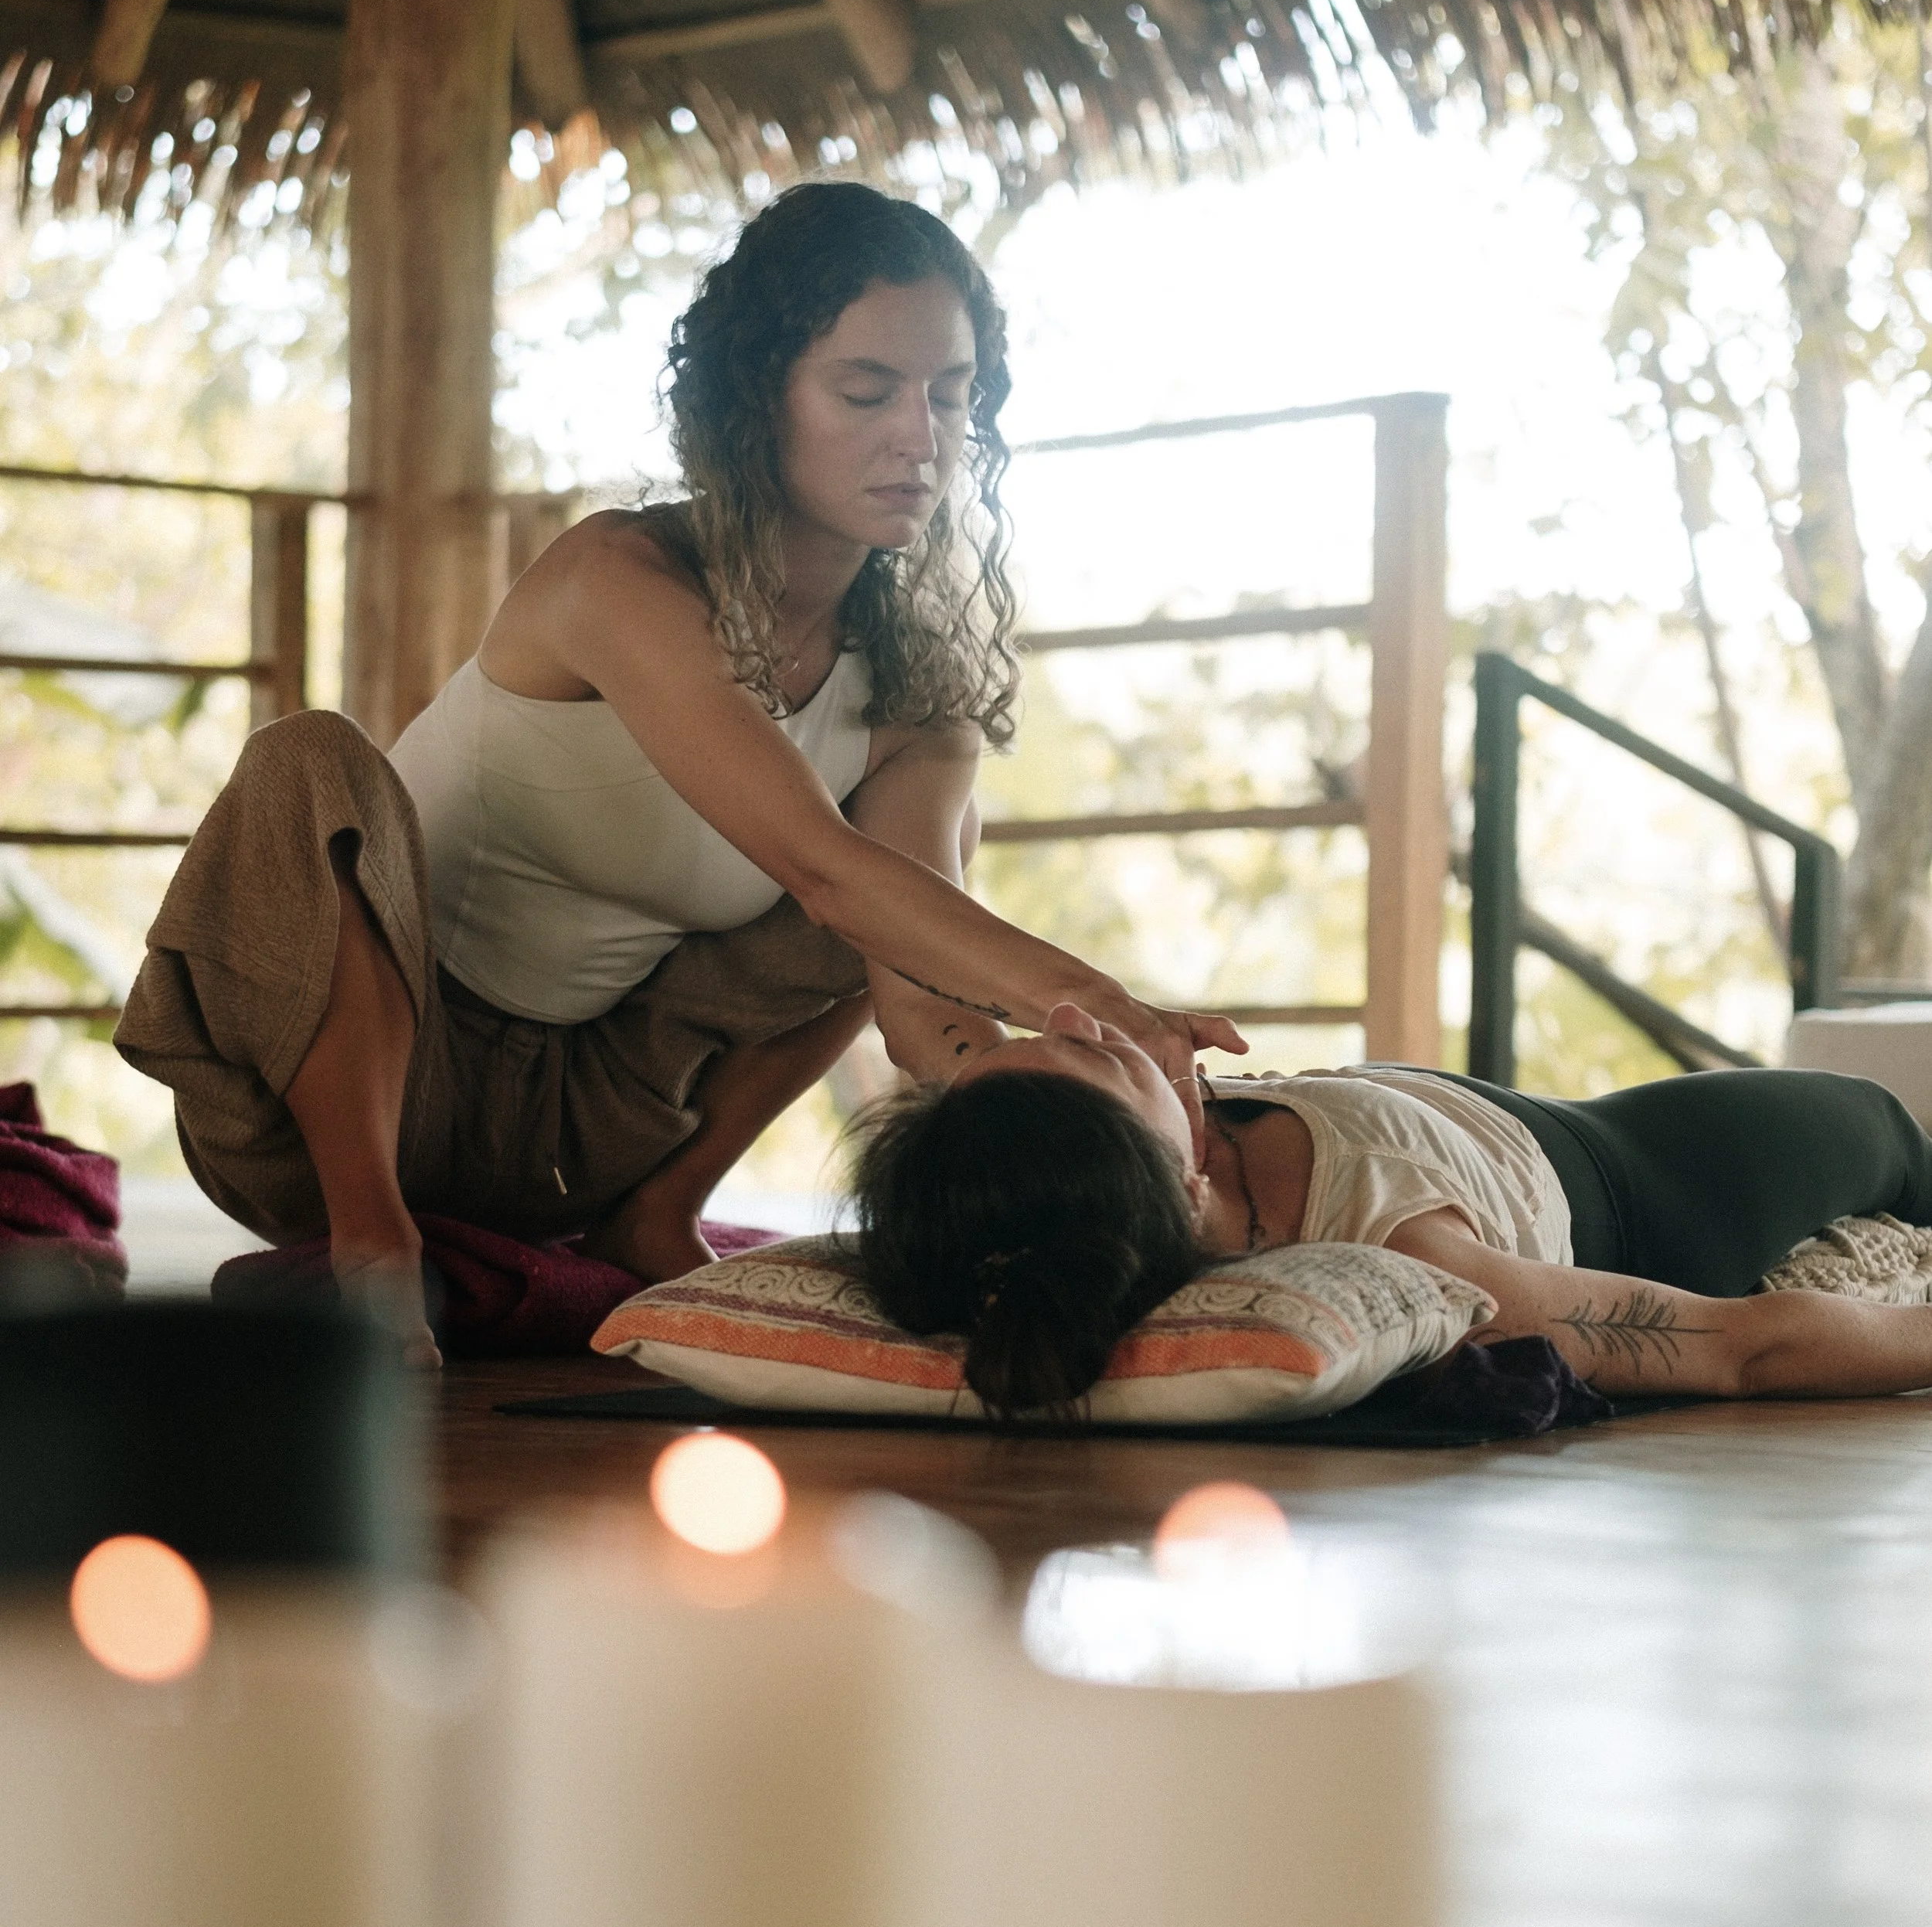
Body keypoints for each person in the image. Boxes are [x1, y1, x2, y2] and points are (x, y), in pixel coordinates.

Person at [117, 187, 1242, 1366]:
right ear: (759, 396)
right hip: (344, 1107)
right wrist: (1106, 999)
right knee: (307, 759)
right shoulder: (614, 578)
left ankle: (655, 1213)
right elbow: (821, 868)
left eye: (951, 396)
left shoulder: (916, 701)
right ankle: (372, 1248)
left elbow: (919, 1004)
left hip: (580, 1134)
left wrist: (1099, 1107)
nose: (921, 437)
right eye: (867, 393)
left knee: (917, 903)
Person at [848, 1002, 1932, 1418]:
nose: (1081, 1015)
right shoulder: (1406, 1253)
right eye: (1101, 1056)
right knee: (1891, 1131)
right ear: (1182, 1185)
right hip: (1654, 1174)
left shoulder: (1103, 1187)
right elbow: (1742, 1348)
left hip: (1517, 1117)